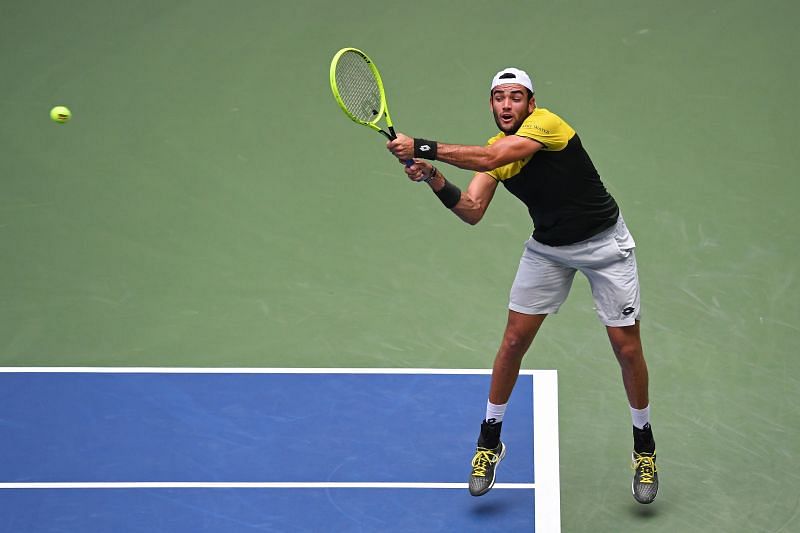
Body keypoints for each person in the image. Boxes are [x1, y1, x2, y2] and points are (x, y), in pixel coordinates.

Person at [386, 67, 658, 504]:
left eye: (515, 97)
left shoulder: (547, 127)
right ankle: (489, 440)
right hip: (549, 249)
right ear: (491, 105)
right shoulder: (494, 151)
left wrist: (423, 147)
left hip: (605, 246)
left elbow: (491, 159)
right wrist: (434, 179)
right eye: (498, 98)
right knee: (513, 342)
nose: (506, 105)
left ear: (530, 104)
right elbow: (472, 209)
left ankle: (643, 444)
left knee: (626, 349)